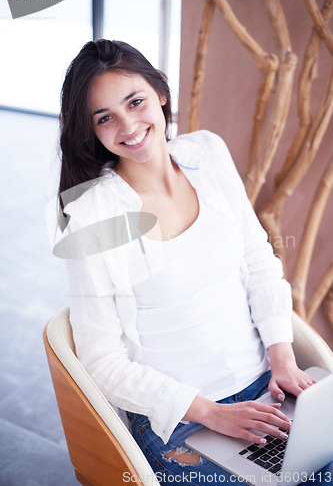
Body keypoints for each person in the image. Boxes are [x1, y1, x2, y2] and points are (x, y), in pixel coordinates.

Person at [54, 39, 329, 485]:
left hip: (269, 388)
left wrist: (283, 358)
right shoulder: (91, 215)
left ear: (160, 93)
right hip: (182, 421)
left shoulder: (208, 154)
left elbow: (258, 260)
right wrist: (211, 414)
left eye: (135, 101)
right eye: (106, 118)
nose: (129, 125)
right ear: (92, 131)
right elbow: (101, 360)